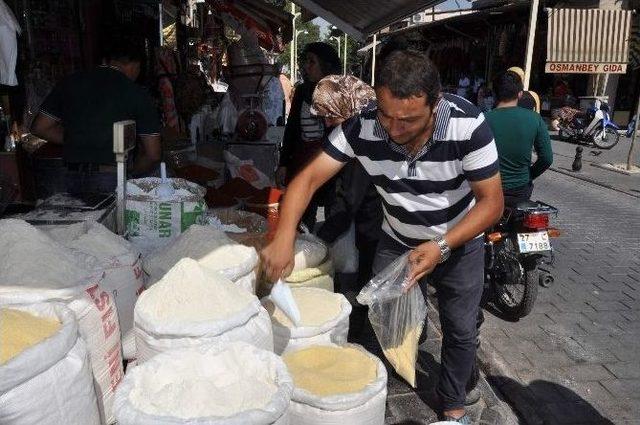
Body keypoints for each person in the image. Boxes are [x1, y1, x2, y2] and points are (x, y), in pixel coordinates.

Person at [261, 49, 504, 423]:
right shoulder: (363, 126)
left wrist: (441, 246)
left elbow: (491, 204)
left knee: (460, 328)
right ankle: (380, 390)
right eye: (387, 115)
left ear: (435, 104)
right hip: (397, 241)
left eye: (408, 119)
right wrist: (283, 238)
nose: (394, 128)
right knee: (386, 320)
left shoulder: (468, 125)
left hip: (458, 241)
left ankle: (453, 404)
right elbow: (307, 180)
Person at [32, 38, 161, 195]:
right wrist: (132, 171)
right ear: (135, 65)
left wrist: (78, 138)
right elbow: (153, 154)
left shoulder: (71, 82)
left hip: (68, 177)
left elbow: (40, 127)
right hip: (112, 178)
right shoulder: (136, 93)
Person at [310, 75, 382, 334]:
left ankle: (360, 335)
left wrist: (319, 239)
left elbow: (350, 197)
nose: (327, 123)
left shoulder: (361, 136)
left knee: (368, 284)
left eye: (331, 116)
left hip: (377, 225)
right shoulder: (352, 127)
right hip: (365, 222)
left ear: (347, 106)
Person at [277, 42, 341, 231]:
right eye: (306, 61)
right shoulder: (302, 92)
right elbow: (292, 129)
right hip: (302, 163)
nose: (306, 66)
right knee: (301, 219)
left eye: (312, 62)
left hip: (331, 166)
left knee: (334, 219)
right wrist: (284, 163)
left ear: (325, 65)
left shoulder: (337, 94)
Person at [485, 71, 553, 207]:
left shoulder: (482, 120)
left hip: (488, 188)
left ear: (494, 94)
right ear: (520, 94)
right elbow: (546, 158)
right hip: (520, 189)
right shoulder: (535, 118)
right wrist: (528, 175)